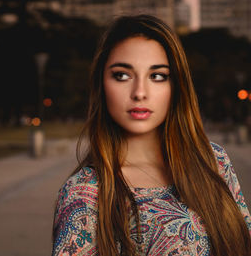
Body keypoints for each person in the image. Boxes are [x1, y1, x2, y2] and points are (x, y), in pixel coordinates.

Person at [51, 15, 251, 256]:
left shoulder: (213, 161)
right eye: (122, 75)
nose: (139, 93)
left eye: (157, 76)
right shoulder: (83, 194)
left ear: (175, 87)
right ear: (101, 84)